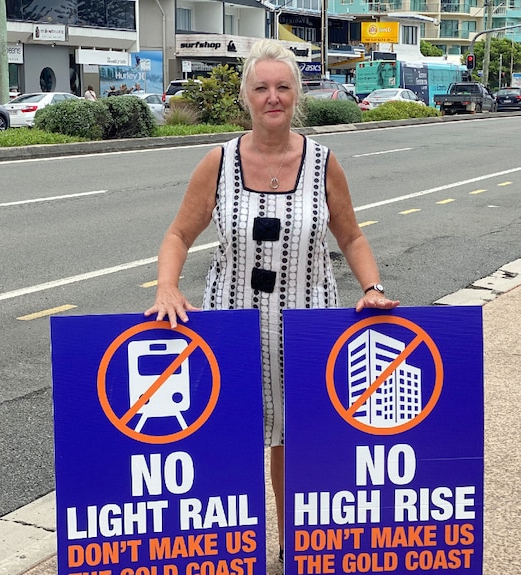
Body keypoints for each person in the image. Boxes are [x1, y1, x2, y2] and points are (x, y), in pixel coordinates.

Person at [144, 38, 399, 563]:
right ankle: (226, 547)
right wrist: (167, 286)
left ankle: (292, 546)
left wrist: (372, 288)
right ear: (247, 97)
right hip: (231, 325)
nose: (273, 97)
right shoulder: (217, 163)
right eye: (261, 87)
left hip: (307, 325)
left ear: (296, 94)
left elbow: (350, 235)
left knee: (294, 442)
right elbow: (177, 235)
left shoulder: (324, 162)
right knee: (230, 437)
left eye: (282, 87)